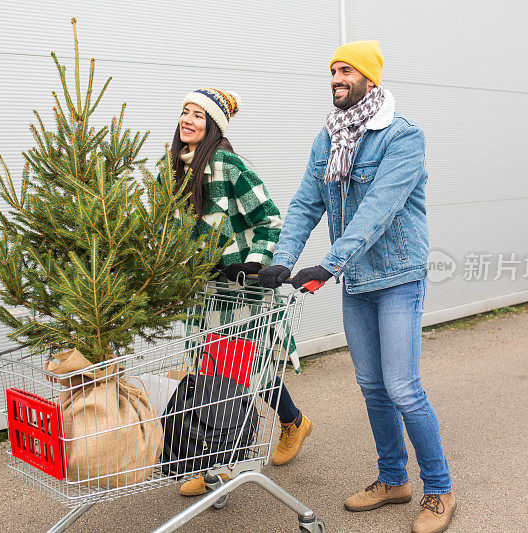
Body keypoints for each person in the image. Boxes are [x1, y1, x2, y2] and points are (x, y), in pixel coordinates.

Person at [258, 42, 456, 533]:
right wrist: (281, 262)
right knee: (371, 387)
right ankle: (393, 480)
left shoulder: (402, 136)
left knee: (403, 388)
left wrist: (327, 264)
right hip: (358, 281)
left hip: (397, 276)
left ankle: (438, 489)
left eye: (346, 70)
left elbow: (378, 210)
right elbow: (306, 203)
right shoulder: (328, 139)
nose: (336, 78)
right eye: (332, 71)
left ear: (370, 78)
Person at [165, 88, 313, 497]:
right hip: (202, 288)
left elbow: (269, 217)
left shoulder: (227, 165)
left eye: (198, 115)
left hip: (241, 289)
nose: (188, 120)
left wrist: (254, 262)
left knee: (238, 373)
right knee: (209, 369)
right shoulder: (171, 168)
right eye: (184, 112)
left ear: (213, 126)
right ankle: (293, 421)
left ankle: (221, 464)